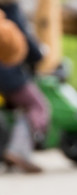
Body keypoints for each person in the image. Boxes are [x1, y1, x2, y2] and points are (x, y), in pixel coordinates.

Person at [0, 0, 47, 173]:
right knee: (37, 105)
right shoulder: (10, 10)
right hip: (9, 75)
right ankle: (19, 149)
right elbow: (23, 44)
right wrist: (39, 55)